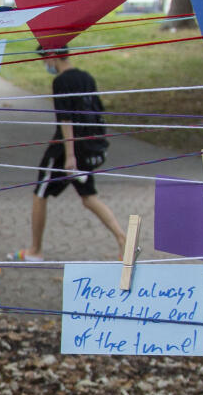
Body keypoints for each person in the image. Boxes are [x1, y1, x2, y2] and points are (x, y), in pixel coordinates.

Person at [13, 50, 127, 261]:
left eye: (43, 58)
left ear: (52, 56)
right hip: (88, 145)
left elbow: (65, 120)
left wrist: (69, 154)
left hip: (65, 149)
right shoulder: (86, 77)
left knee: (41, 192)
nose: (44, 63)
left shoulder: (61, 82)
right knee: (88, 197)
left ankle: (35, 250)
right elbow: (97, 111)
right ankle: (124, 240)